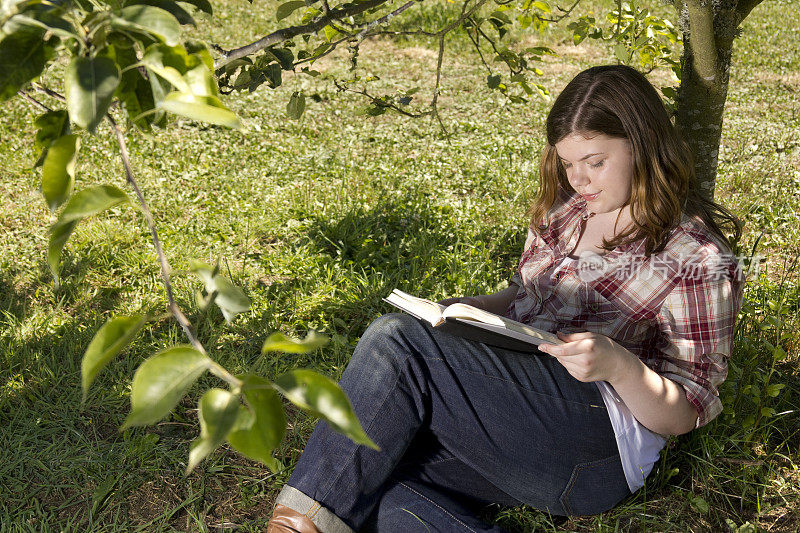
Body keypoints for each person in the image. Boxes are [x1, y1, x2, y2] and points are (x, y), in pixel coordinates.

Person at [266, 65, 744, 533]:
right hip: (513, 416)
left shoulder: (694, 255)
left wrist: (618, 364)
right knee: (374, 472)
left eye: (595, 162)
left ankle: (292, 526)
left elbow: (686, 409)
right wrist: (466, 313)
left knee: (397, 343)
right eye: (568, 163)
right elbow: (525, 295)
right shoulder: (566, 214)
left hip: (594, 446)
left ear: (642, 146)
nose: (579, 180)